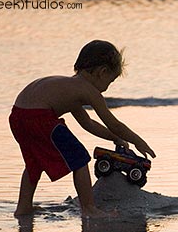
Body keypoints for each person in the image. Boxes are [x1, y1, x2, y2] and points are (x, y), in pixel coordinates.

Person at [9, 40, 156, 218]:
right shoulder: (88, 90)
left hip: (18, 116)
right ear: (102, 72)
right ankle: (89, 209)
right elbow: (114, 123)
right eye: (111, 81)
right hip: (39, 117)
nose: (108, 87)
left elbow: (87, 123)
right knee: (80, 158)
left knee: (34, 163)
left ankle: (23, 208)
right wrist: (138, 142)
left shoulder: (68, 86)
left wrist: (115, 139)